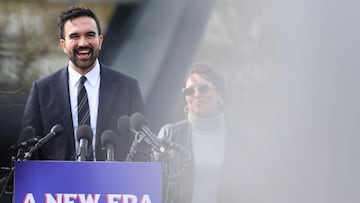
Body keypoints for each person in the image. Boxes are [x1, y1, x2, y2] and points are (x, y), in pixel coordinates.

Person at [21, 6, 149, 162]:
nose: (83, 43)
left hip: (114, 184)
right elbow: (28, 153)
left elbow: (142, 147)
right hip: (57, 185)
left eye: (90, 35)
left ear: (100, 40)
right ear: (63, 44)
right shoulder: (42, 91)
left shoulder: (128, 88)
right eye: (74, 36)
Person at [156, 63, 243, 203]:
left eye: (204, 89)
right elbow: (153, 185)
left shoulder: (239, 139)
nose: (197, 95)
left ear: (220, 93)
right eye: (190, 91)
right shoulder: (169, 134)